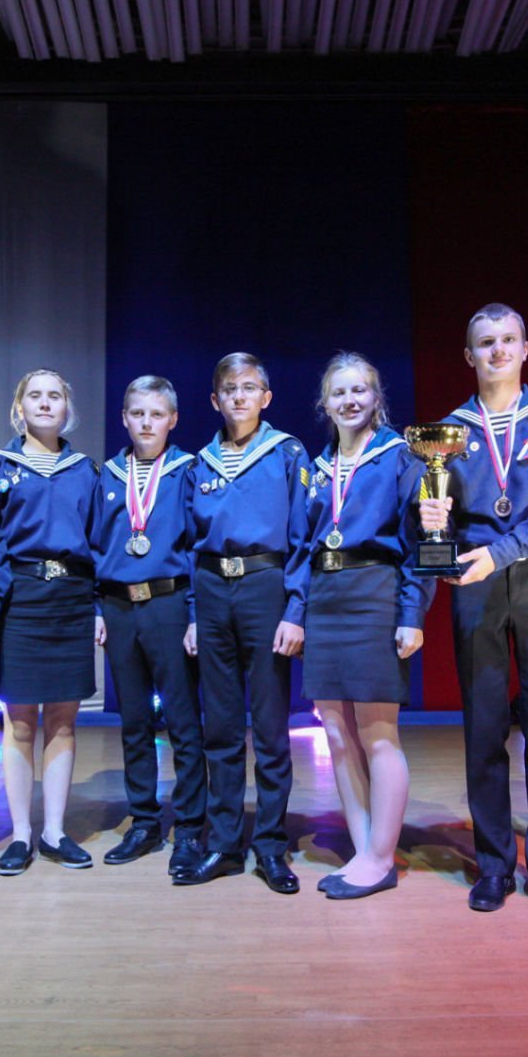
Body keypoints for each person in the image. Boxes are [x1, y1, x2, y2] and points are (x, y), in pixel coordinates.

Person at [419, 302, 528, 917]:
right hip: (474, 580)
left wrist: (503, 551)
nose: (498, 350)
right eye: (485, 342)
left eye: (508, 339)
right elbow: (434, 516)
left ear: (525, 348)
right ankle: (493, 866)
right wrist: (430, 519)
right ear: (469, 355)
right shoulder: (449, 432)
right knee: (484, 729)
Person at [296, 353, 431, 900]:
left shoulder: (402, 457)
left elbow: (422, 543)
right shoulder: (317, 466)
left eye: (360, 390)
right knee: (335, 733)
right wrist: (297, 613)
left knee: (378, 734)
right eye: (339, 392)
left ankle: (380, 858)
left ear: (376, 398)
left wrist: (411, 615)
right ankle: (362, 852)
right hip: (324, 600)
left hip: (375, 596)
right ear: (324, 404)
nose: (350, 400)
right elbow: (302, 546)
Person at [176, 352, 310, 894]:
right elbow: (188, 545)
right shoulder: (200, 464)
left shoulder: (287, 453)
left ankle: (271, 845)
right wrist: (192, 612)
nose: (239, 396)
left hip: (265, 586)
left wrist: (295, 609)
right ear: (215, 400)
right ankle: (225, 842)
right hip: (212, 590)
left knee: (272, 727)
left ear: (266, 397)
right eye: (229, 389)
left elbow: (303, 538)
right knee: (222, 727)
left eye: (249, 387)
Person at [0, 369, 100, 876]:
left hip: (71, 598)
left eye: (55, 396)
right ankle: (20, 834)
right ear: (19, 407)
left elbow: (99, 543)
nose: (46, 403)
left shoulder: (86, 470)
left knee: (64, 720)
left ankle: (54, 830)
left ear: (67, 408)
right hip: (20, 598)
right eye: (36, 395)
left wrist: (98, 607)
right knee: (20, 721)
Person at [89, 376, 206, 873]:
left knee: (182, 720)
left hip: (169, 603)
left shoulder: (187, 470)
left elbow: (199, 546)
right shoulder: (107, 475)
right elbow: (94, 544)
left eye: (156, 414)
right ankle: (143, 820)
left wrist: (195, 614)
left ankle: (192, 827)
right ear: (124, 418)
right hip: (119, 607)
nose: (146, 423)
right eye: (137, 413)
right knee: (133, 720)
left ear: (173, 420)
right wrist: (97, 608)